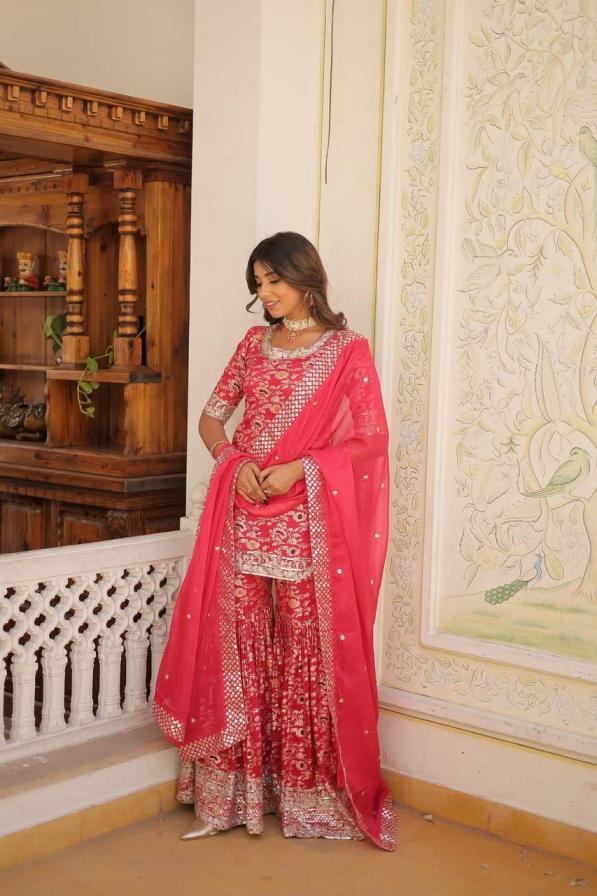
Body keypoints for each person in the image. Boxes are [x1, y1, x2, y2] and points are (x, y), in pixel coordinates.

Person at [153, 231, 398, 850]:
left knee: (302, 650)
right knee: (238, 649)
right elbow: (211, 417)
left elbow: (370, 440)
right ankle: (232, 797)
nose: (265, 294)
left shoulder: (347, 350)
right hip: (242, 514)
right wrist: (232, 460)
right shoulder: (251, 345)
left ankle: (303, 796)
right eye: (258, 283)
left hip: (304, 526)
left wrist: (302, 469)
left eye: (274, 281)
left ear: (305, 277)